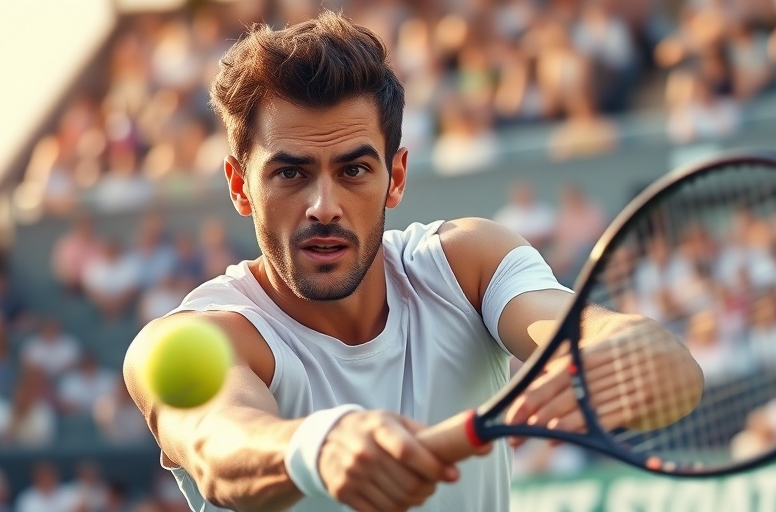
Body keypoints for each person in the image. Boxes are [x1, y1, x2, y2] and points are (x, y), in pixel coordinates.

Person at [123, 11, 701, 512]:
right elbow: (219, 448)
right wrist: (322, 445)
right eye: (290, 172)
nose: (324, 207)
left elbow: (658, 368)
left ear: (395, 177)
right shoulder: (193, 337)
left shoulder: (468, 263)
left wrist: (638, 352)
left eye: (353, 170)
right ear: (239, 186)